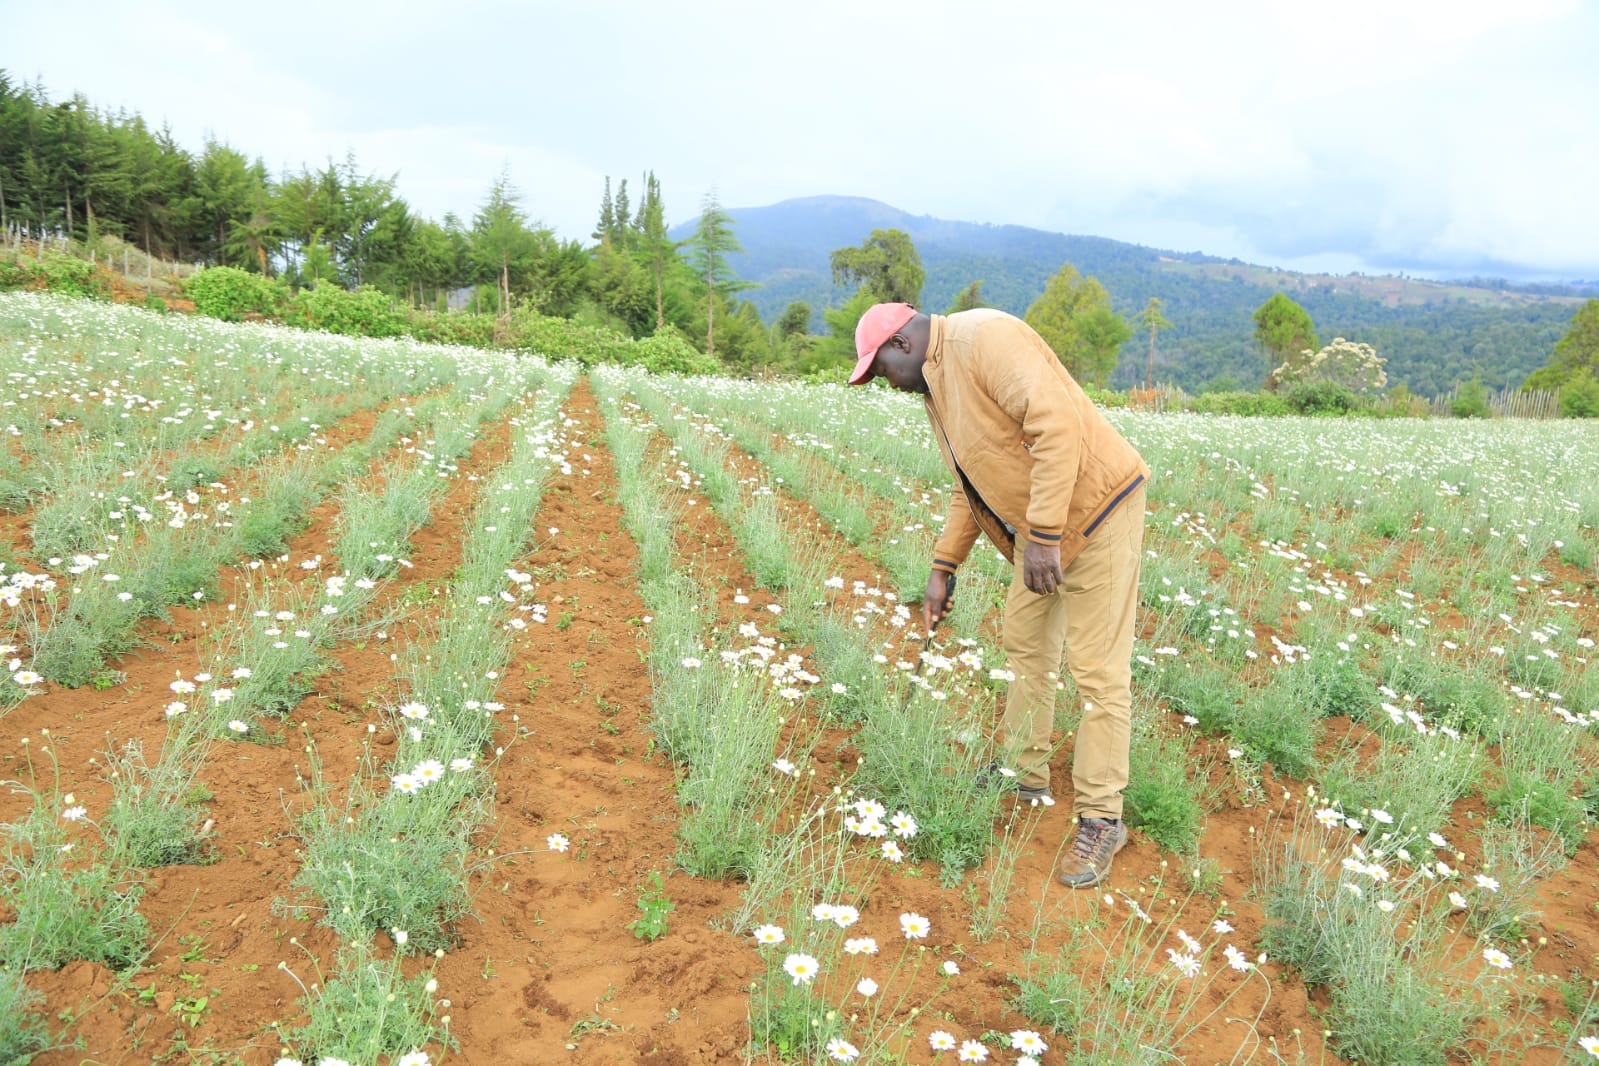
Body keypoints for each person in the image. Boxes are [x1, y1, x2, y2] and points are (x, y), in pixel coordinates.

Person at [847, 302, 1150, 888]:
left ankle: (1102, 815)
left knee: (1097, 670)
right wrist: (944, 563)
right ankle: (1025, 772)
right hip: (1045, 529)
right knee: (1026, 643)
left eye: (880, 369)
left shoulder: (986, 339)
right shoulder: (936, 384)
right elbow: (973, 482)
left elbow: (1056, 426)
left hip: (1098, 510)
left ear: (900, 345)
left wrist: (1040, 538)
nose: (886, 383)